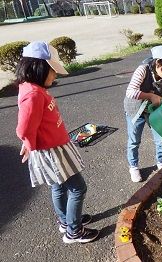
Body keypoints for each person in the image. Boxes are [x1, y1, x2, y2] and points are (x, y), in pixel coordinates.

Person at [15, 42, 99, 244]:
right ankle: (74, 231)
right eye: (52, 71)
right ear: (38, 68)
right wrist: (28, 142)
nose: (55, 75)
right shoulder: (33, 94)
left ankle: (66, 220)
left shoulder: (34, 88)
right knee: (78, 188)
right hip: (52, 151)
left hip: (55, 146)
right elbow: (23, 129)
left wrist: (29, 141)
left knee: (59, 187)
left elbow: (33, 124)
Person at [124, 45, 162, 183]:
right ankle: (133, 167)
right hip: (135, 110)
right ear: (158, 63)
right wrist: (150, 96)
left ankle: (161, 162)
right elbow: (130, 92)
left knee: (160, 137)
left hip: (154, 111)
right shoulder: (143, 70)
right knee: (134, 140)